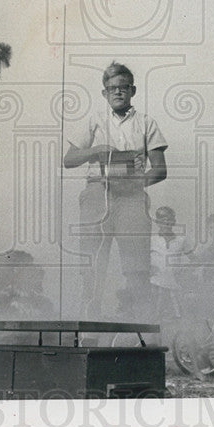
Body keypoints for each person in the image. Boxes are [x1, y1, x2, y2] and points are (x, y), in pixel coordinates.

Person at [64, 62, 168, 320]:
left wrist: (134, 183)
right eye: (112, 89)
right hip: (97, 196)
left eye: (123, 88)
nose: (118, 93)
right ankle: (88, 337)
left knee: (137, 270)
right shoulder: (95, 122)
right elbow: (68, 160)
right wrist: (96, 150)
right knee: (91, 266)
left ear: (132, 90)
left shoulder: (146, 123)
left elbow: (160, 170)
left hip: (131, 199)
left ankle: (141, 339)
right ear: (104, 93)